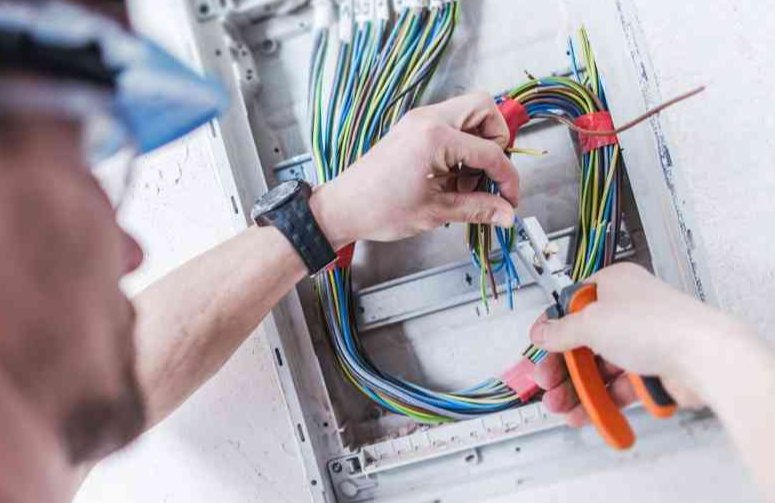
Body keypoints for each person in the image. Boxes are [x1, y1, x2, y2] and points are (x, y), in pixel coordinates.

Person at [0, 2, 772, 503]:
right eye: (81, 176)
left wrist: (330, 214)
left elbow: (119, 367)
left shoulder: (41, 419)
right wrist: (709, 349)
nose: (130, 247)